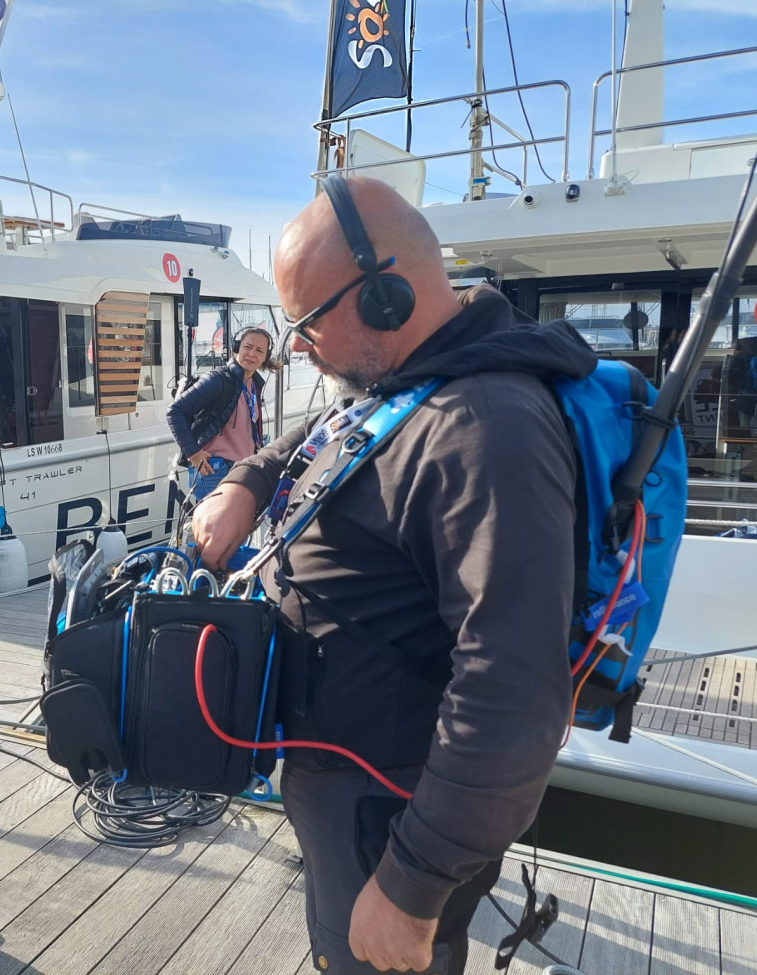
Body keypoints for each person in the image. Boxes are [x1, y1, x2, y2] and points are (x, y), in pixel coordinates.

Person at [192, 176, 594, 974]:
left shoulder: (485, 430)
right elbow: (336, 427)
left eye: (305, 324)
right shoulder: (411, 377)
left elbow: (513, 692)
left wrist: (411, 886)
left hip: (386, 809)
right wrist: (251, 478)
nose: (297, 347)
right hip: (344, 788)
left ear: (385, 297)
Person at [167, 326, 273, 500]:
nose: (252, 354)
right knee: (216, 526)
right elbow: (175, 411)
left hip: (241, 467)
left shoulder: (254, 384)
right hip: (214, 469)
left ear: (264, 357)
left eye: (259, 350)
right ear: (236, 347)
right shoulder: (217, 379)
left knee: (236, 525)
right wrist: (193, 453)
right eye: (247, 347)